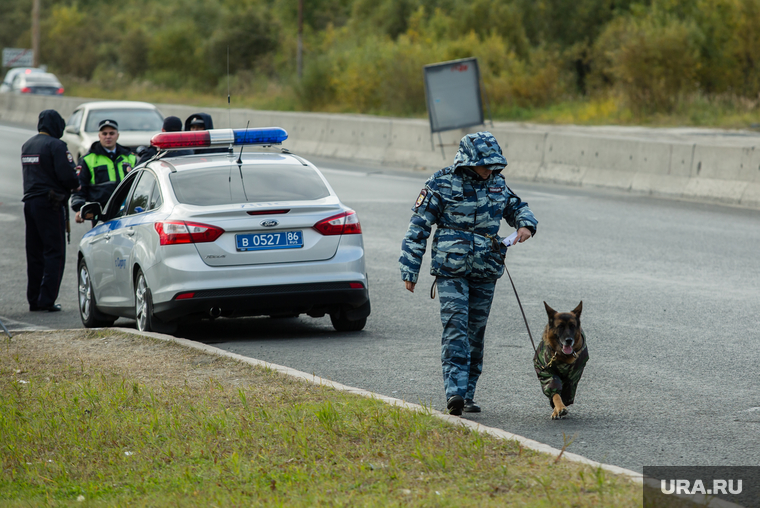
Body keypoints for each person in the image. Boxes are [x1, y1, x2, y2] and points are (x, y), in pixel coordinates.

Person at [399, 131, 538, 416]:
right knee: (455, 329)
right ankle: (455, 393)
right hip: (451, 270)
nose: (490, 170)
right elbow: (418, 229)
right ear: (468, 161)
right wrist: (410, 268)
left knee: (475, 332)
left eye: (494, 165)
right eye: (485, 164)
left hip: (486, 268)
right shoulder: (440, 183)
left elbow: (518, 207)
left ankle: (468, 394)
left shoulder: (497, 183)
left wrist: (525, 225)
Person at [21, 109, 79, 312]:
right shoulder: (56, 145)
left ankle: (34, 299)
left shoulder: (28, 145)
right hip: (50, 203)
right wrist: (76, 183)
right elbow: (68, 176)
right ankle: (47, 300)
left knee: (34, 253)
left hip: (30, 203)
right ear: (56, 125)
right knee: (54, 252)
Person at [71, 119, 136, 224]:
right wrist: (79, 209)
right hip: (101, 214)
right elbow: (80, 187)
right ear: (99, 136)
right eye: (104, 133)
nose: (108, 136)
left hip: (127, 212)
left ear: (117, 135)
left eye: (111, 133)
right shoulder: (88, 159)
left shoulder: (130, 158)